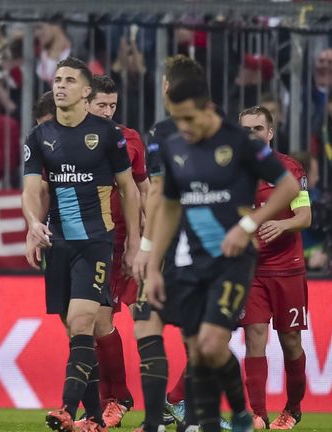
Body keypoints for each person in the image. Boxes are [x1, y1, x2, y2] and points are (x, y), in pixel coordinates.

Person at [142, 77, 299, 432]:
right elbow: (167, 208)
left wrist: (249, 225)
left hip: (233, 261)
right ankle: (222, 419)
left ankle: (236, 413)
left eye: (190, 118)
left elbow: (288, 184)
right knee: (200, 350)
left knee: (213, 342)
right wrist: (152, 266)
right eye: (178, 120)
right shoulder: (175, 147)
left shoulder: (241, 143)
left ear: (207, 110)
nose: (184, 127)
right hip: (188, 261)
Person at [23, 57, 140, 432]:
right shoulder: (39, 137)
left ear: (85, 91)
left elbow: (130, 189)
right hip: (59, 244)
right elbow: (30, 190)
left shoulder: (107, 135)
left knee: (82, 320)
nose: (60, 85)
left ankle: (66, 409)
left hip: (96, 241)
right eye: (57, 79)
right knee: (77, 331)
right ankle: (93, 418)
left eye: (69, 80)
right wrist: (31, 225)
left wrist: (134, 243)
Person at [133, 55, 226, 432]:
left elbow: (156, 192)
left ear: (168, 87)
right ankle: (195, 418)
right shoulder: (226, 130)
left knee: (146, 323)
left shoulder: (163, 131)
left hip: (175, 243)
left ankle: (156, 422)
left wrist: (146, 246)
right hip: (215, 244)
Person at [81, 74, 148, 428]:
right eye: (101, 105)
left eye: (112, 105)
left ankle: (117, 399)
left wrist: (144, 243)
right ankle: (106, 403)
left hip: (121, 240)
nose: (107, 112)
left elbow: (144, 189)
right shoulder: (70, 137)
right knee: (88, 324)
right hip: (85, 239)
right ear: (86, 103)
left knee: (106, 321)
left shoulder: (130, 140)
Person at [239, 106, 311, 430]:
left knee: (290, 341)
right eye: (246, 129)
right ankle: (258, 413)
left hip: (287, 269)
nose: (251, 134)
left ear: (270, 133)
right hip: (252, 271)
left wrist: (282, 227)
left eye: (258, 128)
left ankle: (293, 408)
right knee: (254, 336)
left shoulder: (289, 170)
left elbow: (305, 217)